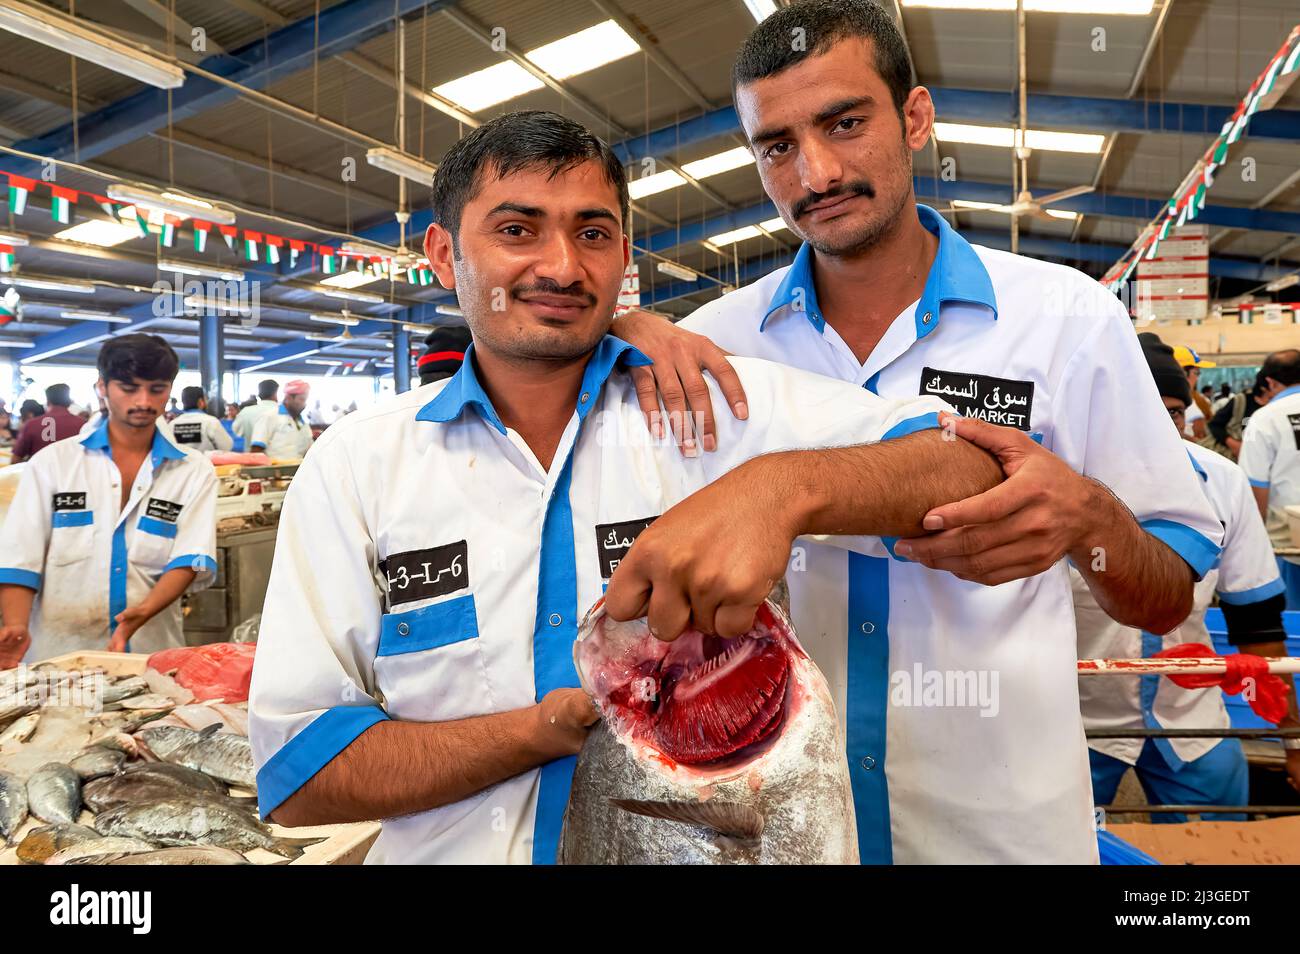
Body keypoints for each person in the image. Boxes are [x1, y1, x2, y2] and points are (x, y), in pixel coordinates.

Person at [247, 109, 1016, 865]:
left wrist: (779, 489)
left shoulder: (715, 405)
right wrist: (541, 730)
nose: (561, 266)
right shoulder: (358, 466)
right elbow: (298, 773)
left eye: (592, 233)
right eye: (516, 230)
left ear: (624, 252)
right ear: (445, 256)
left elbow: (970, 469)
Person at [609, 0, 1221, 863]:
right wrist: (611, 334)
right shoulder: (718, 345)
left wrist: (1091, 523)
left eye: (845, 123)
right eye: (777, 145)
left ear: (915, 118)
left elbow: (1165, 597)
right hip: (788, 834)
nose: (815, 173)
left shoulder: (1064, 321)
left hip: (1001, 836)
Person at [1077, 333, 1300, 819]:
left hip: (1190, 715)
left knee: (1219, 845)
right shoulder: (1058, 486)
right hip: (1076, 718)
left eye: (1174, 414)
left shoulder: (1222, 482)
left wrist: (1294, 741)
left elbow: (1257, 623)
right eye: (1142, 411)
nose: (1160, 430)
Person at [0, 335, 218, 666]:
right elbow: (20, 557)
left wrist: (143, 611)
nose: (144, 401)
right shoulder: (53, 464)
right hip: (59, 656)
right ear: (101, 387)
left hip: (149, 655)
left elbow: (191, 556)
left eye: (156, 389)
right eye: (129, 389)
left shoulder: (193, 470)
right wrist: (16, 625)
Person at [1239, 349, 1300, 607]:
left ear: (1270, 383)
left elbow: (1256, 489)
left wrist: (1251, 545)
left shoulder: (1264, 420)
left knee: (1292, 624)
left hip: (1287, 547)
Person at [1208, 372, 1277, 460]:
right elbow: (1214, 425)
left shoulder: (1280, 404)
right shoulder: (1241, 401)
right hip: (1237, 459)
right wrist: (1233, 444)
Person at [11, 384, 84, 462]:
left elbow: (16, 459)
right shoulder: (83, 424)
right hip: (74, 473)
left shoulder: (32, 425)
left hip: (39, 472)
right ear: (69, 401)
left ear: (48, 401)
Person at [249, 379, 313, 460]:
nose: (304, 404)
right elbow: (256, 451)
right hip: (276, 471)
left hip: (298, 470)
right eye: (302, 399)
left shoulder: (302, 423)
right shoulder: (270, 417)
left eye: (306, 400)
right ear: (288, 398)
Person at [166, 386, 233, 453]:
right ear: (201, 402)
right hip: (207, 463)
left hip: (179, 463)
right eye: (206, 399)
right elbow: (227, 446)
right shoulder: (211, 422)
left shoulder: (172, 424)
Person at [1173, 345, 1214, 441]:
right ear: (1182, 372)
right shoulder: (1180, 403)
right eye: (1196, 373)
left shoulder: (1194, 399)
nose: (1197, 378)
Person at [232, 380, 279, 445]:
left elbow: (235, 432)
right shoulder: (282, 413)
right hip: (278, 454)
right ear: (276, 393)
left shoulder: (246, 412)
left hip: (251, 453)